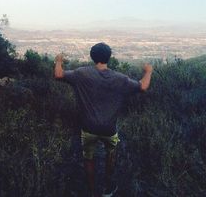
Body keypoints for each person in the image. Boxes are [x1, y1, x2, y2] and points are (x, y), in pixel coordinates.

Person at [54, 42, 153, 197]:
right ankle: (107, 188)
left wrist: (59, 60)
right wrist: (148, 71)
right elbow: (143, 87)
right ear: (109, 57)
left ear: (92, 57)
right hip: (109, 129)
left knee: (88, 158)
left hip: (88, 128)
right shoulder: (120, 79)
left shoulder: (81, 73)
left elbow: (59, 75)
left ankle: (93, 192)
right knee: (110, 155)